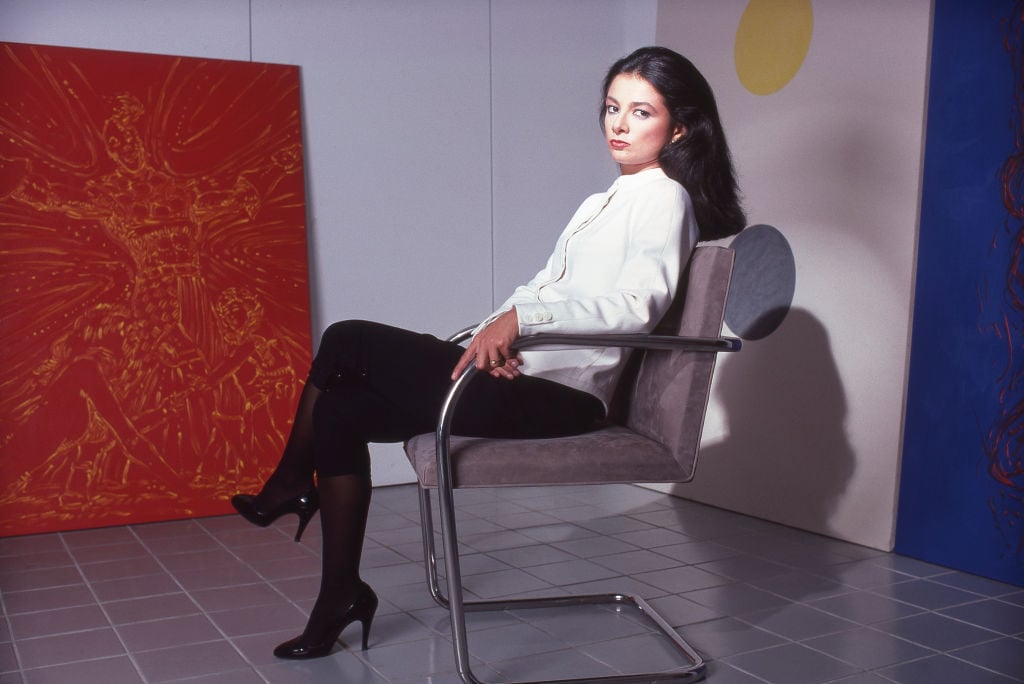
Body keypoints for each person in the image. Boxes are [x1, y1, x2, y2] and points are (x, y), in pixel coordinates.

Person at [230, 46, 745, 660]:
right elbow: (539, 287)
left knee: (347, 337)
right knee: (341, 411)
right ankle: (339, 594)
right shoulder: (603, 200)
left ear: (679, 127)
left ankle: (290, 483)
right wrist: (495, 335)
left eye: (640, 112)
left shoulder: (665, 198)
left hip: (566, 397)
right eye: (612, 108)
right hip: (527, 377)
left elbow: (637, 306)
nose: (619, 124)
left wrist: (526, 320)